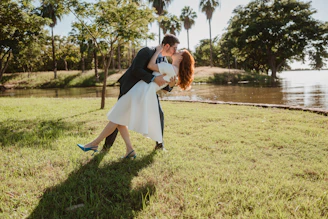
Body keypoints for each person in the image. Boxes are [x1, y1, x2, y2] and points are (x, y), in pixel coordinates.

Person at [77, 47, 195, 158]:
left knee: (117, 118)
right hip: (139, 91)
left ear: (181, 58)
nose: (176, 51)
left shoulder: (169, 67)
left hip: (140, 92)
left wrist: (157, 50)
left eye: (179, 51)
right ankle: (130, 150)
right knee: (119, 119)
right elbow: (162, 82)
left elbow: (150, 65)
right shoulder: (173, 71)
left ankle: (94, 143)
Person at [103, 34, 180, 151]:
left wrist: (170, 86)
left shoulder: (164, 61)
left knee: (159, 114)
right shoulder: (146, 51)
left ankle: (159, 145)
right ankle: (106, 147)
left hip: (147, 91)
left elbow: (162, 83)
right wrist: (154, 79)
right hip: (129, 87)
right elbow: (136, 70)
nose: (176, 51)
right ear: (167, 46)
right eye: (175, 48)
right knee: (118, 116)